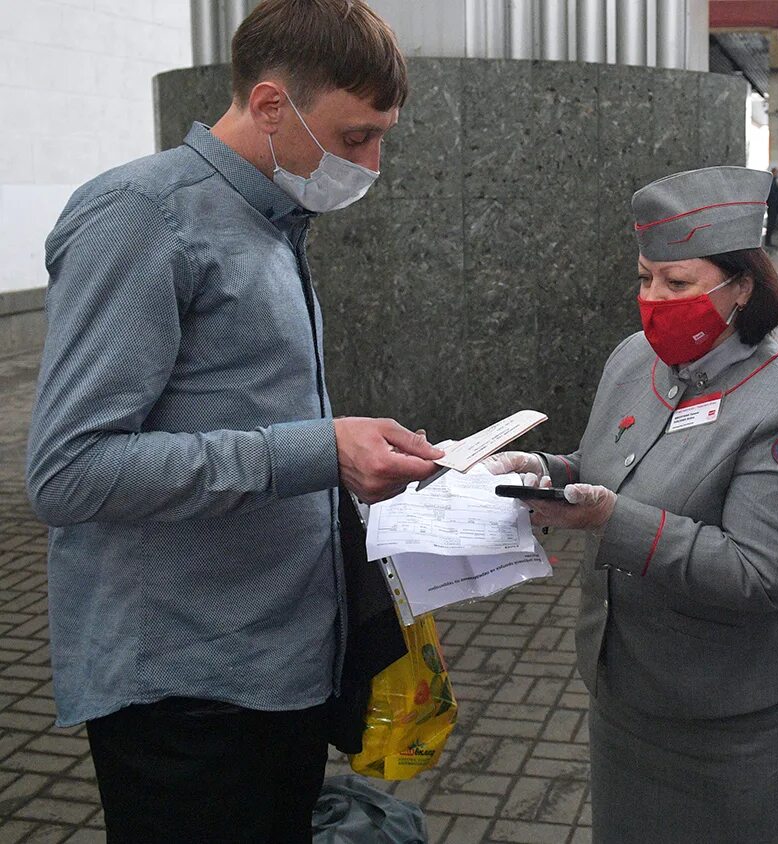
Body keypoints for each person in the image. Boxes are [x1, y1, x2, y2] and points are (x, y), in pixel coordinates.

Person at [24, 1, 445, 840]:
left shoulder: (270, 219)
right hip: (189, 696)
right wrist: (317, 450)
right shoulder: (143, 217)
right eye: (355, 136)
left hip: (276, 667)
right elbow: (69, 472)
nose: (372, 161)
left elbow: (244, 414)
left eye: (382, 135)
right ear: (268, 105)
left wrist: (358, 462)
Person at [486, 166, 778, 842]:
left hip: (734, 716)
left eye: (678, 283)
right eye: (646, 277)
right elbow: (608, 470)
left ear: (742, 287)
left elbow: (759, 573)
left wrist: (609, 521)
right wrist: (541, 469)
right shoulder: (632, 361)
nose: (654, 299)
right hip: (628, 687)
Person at [765, 166, 778, 247]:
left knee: (771, 223)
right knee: (771, 223)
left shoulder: (772, 181)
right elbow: (772, 194)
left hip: (773, 205)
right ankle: (768, 241)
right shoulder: (772, 181)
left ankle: (768, 241)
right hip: (772, 205)